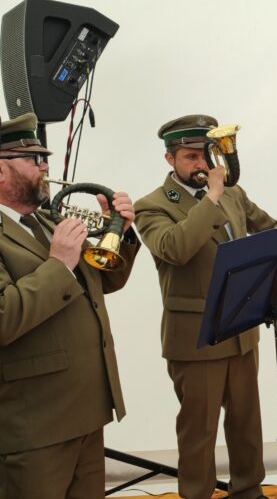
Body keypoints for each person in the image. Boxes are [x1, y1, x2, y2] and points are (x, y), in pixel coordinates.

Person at [134, 115, 277, 499]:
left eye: (206, 154)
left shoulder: (234, 193)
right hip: (196, 337)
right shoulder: (152, 206)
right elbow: (176, 249)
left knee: (247, 421)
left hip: (242, 327)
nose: (201, 164)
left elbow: (270, 230)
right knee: (199, 429)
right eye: (190, 156)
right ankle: (196, 493)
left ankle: (248, 490)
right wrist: (211, 198)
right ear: (170, 159)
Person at [0, 112, 139, 498]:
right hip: (35, 425)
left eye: (45, 158)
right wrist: (59, 263)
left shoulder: (47, 221)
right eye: (34, 159)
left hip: (86, 412)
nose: (45, 167)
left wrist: (119, 232)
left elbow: (105, 281)